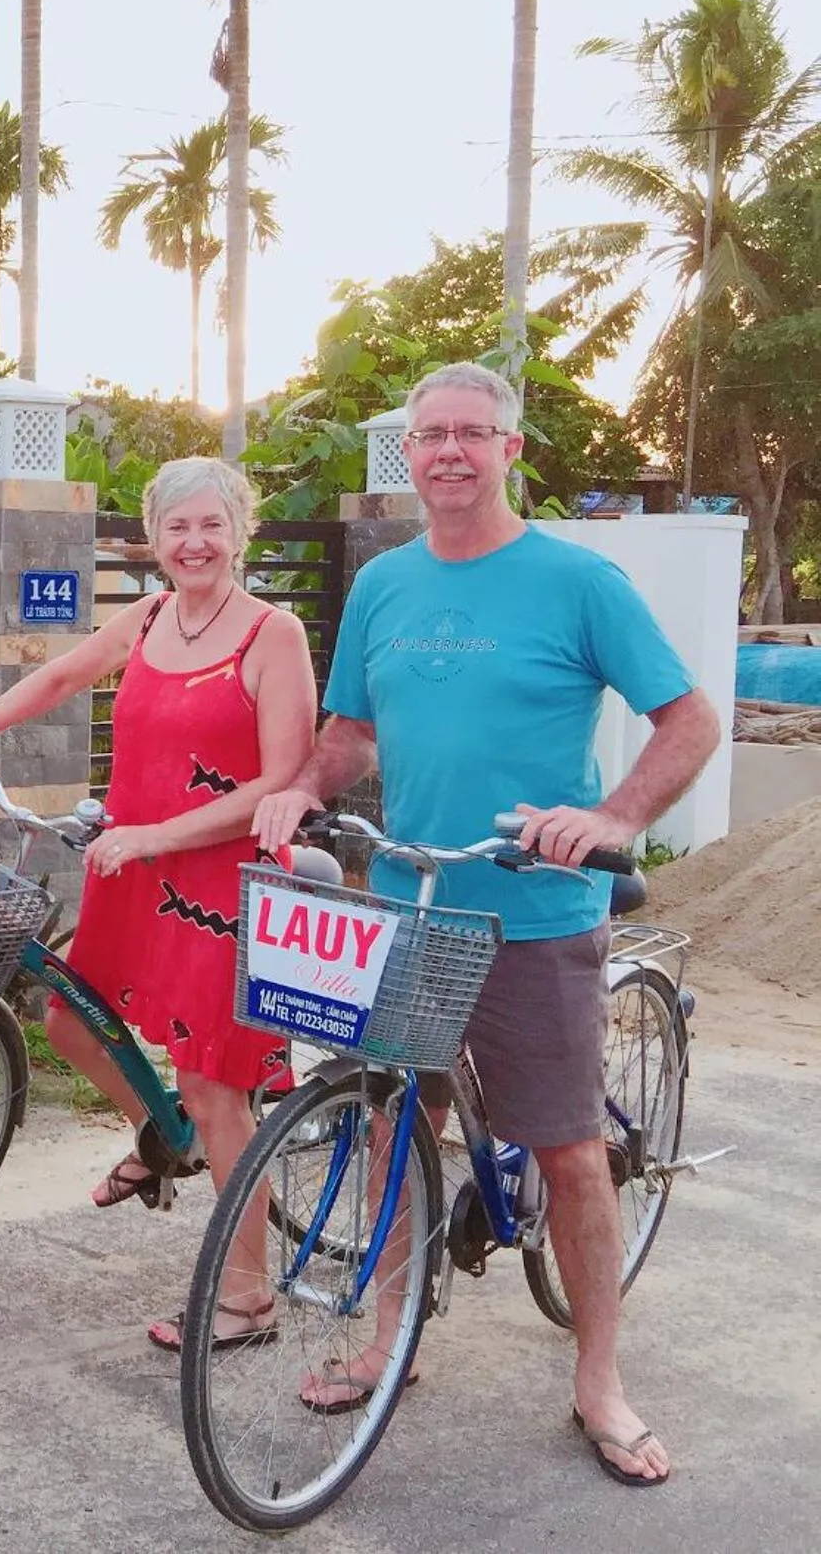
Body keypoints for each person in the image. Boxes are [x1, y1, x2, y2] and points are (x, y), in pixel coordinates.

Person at [253, 360, 721, 1487]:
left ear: (512, 451)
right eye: (432, 435)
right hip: (412, 904)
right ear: (409, 455)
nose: (450, 451)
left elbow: (691, 719)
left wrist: (612, 817)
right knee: (387, 1123)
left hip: (535, 915)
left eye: (473, 432)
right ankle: (390, 1339)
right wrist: (303, 786)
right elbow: (352, 732)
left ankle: (598, 1380)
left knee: (566, 1152)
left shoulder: (578, 581)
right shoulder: (385, 586)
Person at [0, 456, 318, 1350]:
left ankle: (248, 1298)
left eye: (212, 525)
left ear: (240, 531)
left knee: (217, 1088)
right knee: (68, 1019)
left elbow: (279, 781)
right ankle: (155, 1133)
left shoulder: (271, 635)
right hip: (130, 870)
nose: (195, 542)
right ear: (156, 538)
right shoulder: (146, 617)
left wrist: (155, 837)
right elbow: (57, 681)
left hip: (220, 883)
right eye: (178, 527)